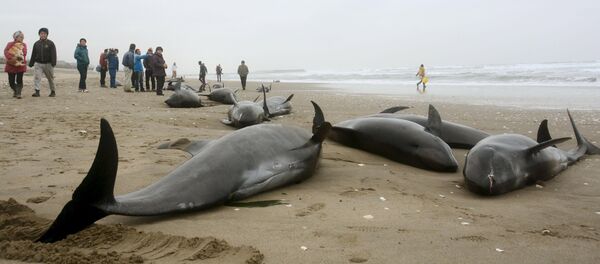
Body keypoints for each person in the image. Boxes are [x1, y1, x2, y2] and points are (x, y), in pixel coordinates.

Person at [28, 27, 56, 97]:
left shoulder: (51, 43)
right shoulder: (36, 43)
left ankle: (53, 91)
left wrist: (53, 63)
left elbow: (53, 53)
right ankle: (37, 92)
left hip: (48, 64)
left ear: (47, 35)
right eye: (41, 33)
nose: (43, 35)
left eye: (44, 34)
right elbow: (33, 54)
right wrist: (31, 63)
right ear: (39, 34)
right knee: (37, 77)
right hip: (38, 64)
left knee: (50, 78)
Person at [4, 30, 27, 99]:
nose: (22, 38)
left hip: (20, 65)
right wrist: (11, 58)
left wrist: (17, 58)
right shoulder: (10, 44)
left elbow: (24, 53)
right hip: (11, 65)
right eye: (20, 37)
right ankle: (15, 91)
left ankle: (18, 93)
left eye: (22, 37)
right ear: (16, 37)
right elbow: (6, 51)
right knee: (11, 82)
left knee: (19, 80)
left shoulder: (24, 45)